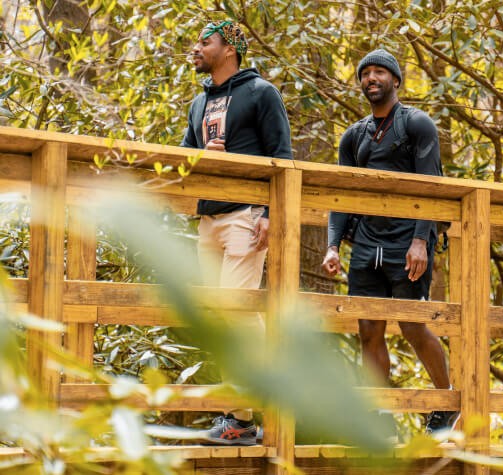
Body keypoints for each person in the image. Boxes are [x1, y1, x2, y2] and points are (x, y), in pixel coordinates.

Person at [321, 49, 457, 434]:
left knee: (413, 325)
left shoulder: (417, 124)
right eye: (365, 74)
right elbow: (341, 194)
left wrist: (420, 241)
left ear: (396, 80)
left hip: (406, 241)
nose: (372, 79)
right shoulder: (354, 135)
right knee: (369, 330)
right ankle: (377, 415)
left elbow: (432, 184)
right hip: (367, 243)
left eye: (380, 72)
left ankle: (446, 404)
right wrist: (333, 244)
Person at [181, 19, 293, 446]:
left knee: (237, 310)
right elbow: (184, 156)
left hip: (246, 215)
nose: (197, 48)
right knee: (222, 315)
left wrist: (268, 211)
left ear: (229, 48)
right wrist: (200, 155)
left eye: (204, 41)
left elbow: (281, 155)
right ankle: (237, 414)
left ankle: (245, 415)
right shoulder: (198, 103)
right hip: (207, 218)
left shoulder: (261, 93)